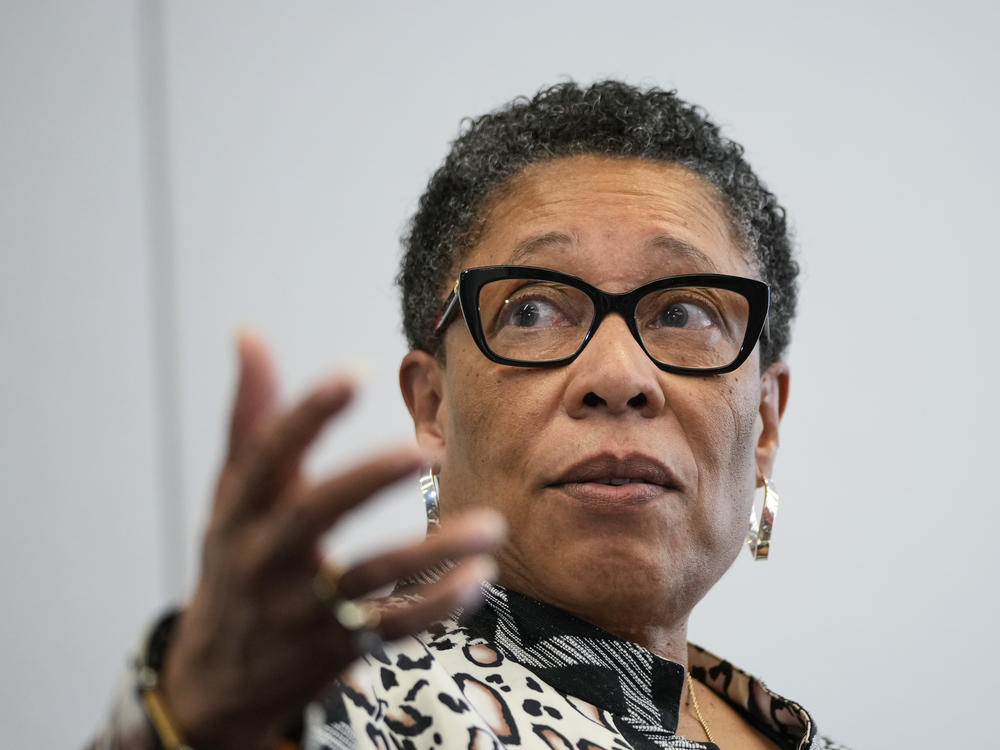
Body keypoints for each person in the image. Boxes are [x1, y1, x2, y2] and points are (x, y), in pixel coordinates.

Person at [94, 80, 848, 750]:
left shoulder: (785, 727)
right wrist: (189, 726)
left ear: (766, 424)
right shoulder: (335, 702)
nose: (618, 376)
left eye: (683, 310)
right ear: (433, 405)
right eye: (533, 310)